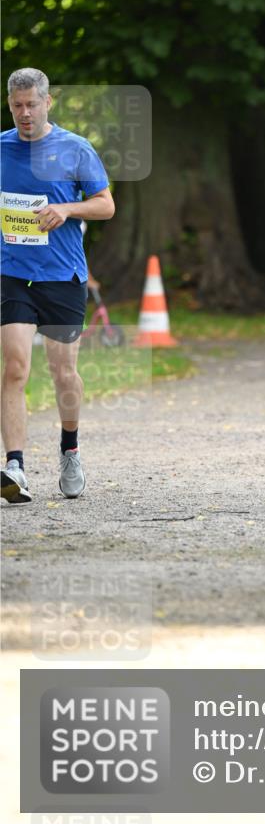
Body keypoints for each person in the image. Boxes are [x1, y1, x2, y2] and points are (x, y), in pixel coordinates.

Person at [1, 68, 114, 504]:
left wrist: (66, 209)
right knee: (14, 366)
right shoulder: (2, 148)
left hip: (64, 277)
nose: (24, 114)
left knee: (63, 372)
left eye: (31, 105)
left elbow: (105, 205)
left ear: (49, 102)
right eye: (16, 107)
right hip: (13, 273)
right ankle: (15, 466)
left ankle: (70, 447)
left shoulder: (75, 149)